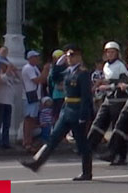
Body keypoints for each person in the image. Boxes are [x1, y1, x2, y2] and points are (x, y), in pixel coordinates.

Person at [21, 44, 95, 181]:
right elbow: (54, 78)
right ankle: (37, 163)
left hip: (77, 111)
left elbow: (86, 96)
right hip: (66, 110)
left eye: (72, 55)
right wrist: (57, 65)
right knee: (53, 138)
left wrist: (84, 116)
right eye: (67, 56)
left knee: (82, 144)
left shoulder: (83, 73)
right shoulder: (67, 71)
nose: (69, 58)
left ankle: (87, 172)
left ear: (79, 57)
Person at [87, 42, 128, 155]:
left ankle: (118, 153)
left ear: (117, 53)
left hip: (118, 100)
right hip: (108, 98)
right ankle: (89, 147)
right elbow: (107, 80)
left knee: (117, 126)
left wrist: (109, 85)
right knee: (99, 121)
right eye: (108, 52)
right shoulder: (106, 66)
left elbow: (123, 82)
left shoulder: (120, 66)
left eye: (112, 52)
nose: (110, 54)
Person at [21, 50, 49, 151]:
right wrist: (45, 71)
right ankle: (27, 141)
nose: (37, 59)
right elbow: (37, 80)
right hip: (30, 96)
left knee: (32, 120)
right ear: (30, 58)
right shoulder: (28, 68)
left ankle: (29, 140)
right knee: (29, 119)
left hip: (35, 96)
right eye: (35, 57)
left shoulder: (34, 68)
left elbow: (42, 80)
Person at [0, 58, 19, 149]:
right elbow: (2, 79)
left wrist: (15, 71)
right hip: (0, 102)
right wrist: (8, 69)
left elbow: (18, 79)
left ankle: (5, 142)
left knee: (7, 124)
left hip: (8, 102)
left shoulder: (10, 77)